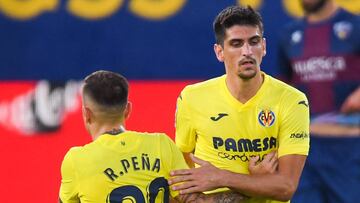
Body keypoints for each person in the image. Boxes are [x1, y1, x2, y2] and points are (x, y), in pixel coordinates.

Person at [169, 5, 310, 203]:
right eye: (236, 43)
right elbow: (182, 176)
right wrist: (256, 183)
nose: (247, 51)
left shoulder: (292, 100)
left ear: (264, 47)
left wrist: (220, 177)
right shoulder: (192, 98)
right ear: (219, 52)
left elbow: (286, 187)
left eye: (254, 42)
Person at [59, 70, 247, 203]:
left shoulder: (76, 160)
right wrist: (251, 181)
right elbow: (198, 202)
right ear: (128, 110)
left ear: (87, 113)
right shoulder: (161, 144)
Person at [276, 0, 360, 202]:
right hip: (304, 149)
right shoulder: (289, 34)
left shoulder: (355, 26)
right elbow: (283, 87)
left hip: (349, 147)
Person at [277, 0, 360, 136]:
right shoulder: (289, 34)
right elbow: (281, 85)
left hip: (352, 132)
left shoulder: (356, 26)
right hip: (311, 136)